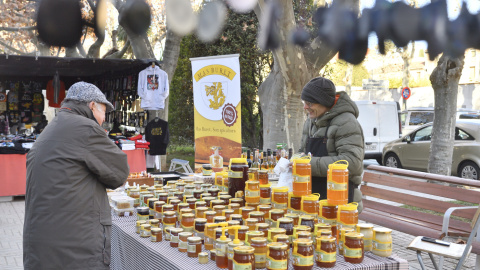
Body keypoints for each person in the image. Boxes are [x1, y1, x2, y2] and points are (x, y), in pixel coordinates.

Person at [23, 82, 130, 269]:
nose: (103, 119)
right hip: (75, 249)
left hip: (43, 245)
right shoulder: (86, 128)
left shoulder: (53, 126)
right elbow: (119, 174)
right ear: (92, 106)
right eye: (103, 112)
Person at [298, 77, 365, 212]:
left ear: (323, 102)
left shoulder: (347, 123)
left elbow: (352, 163)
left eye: (309, 103)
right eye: (304, 103)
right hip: (314, 197)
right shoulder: (311, 121)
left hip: (340, 201)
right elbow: (304, 153)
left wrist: (307, 164)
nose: (305, 107)